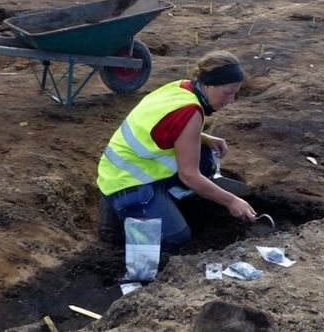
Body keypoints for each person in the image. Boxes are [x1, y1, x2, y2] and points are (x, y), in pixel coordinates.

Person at [96, 50, 257, 252]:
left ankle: (158, 206)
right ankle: (124, 225)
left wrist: (204, 137)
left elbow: (165, 128)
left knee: (205, 157)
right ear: (209, 84)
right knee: (175, 237)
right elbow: (189, 176)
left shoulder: (181, 87)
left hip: (119, 171)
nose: (231, 100)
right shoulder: (190, 112)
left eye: (236, 93)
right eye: (228, 92)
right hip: (127, 183)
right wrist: (231, 201)